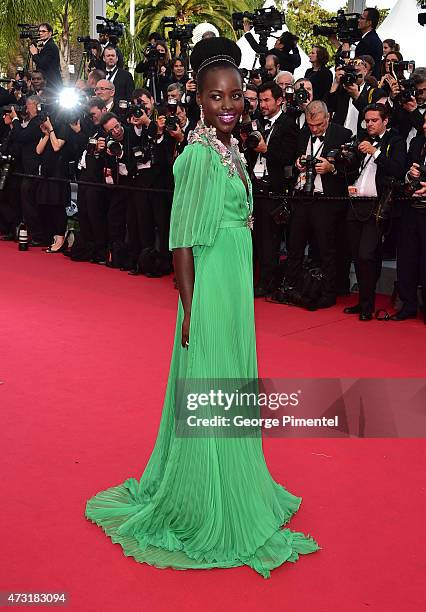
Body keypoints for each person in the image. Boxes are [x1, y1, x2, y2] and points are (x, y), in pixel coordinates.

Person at [85, 36, 319, 578]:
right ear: (199, 100)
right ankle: (205, 496)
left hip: (235, 286)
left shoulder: (232, 150)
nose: (230, 106)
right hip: (210, 290)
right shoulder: (195, 156)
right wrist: (190, 308)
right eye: (217, 98)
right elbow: (181, 240)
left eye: (237, 95)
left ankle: (236, 476)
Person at [344, 104, 407, 320]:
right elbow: (352, 170)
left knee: (366, 254)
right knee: (356, 255)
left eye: (374, 120)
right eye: (367, 120)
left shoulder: (396, 141)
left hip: (378, 206)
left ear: (385, 121)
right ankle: (363, 301)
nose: (369, 124)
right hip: (355, 203)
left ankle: (368, 305)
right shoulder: (362, 138)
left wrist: (376, 152)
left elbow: (398, 169)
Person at [29, 23, 62, 88]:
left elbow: (42, 64)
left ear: (50, 33)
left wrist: (35, 54)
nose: (41, 33)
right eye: (40, 31)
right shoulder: (46, 45)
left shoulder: (50, 46)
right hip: (48, 84)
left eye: (43, 31)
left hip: (51, 85)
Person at [354, 8, 383, 80]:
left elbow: (359, 65)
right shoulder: (373, 39)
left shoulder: (368, 41)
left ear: (369, 22)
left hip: (365, 83)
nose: (358, 20)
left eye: (362, 18)